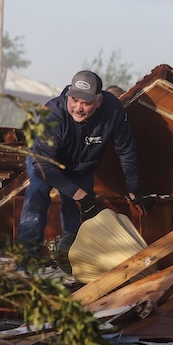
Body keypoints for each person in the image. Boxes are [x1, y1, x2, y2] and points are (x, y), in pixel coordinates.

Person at [18, 70, 148, 261]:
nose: (78, 108)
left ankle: (74, 259)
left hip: (82, 164)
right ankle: (27, 259)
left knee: (77, 210)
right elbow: (42, 165)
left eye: (86, 103)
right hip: (45, 162)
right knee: (36, 197)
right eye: (74, 101)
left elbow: (126, 150)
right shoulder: (52, 114)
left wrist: (134, 189)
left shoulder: (113, 111)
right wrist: (79, 194)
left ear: (99, 101)